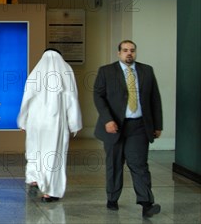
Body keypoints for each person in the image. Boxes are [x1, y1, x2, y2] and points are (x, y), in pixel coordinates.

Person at [93, 40, 163, 218]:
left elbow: (155, 98)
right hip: (114, 127)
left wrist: (157, 125)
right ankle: (112, 198)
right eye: (125, 50)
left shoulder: (146, 70)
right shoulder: (106, 71)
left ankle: (147, 204)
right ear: (118, 53)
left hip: (138, 126)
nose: (129, 53)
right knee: (114, 165)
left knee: (139, 165)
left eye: (132, 50)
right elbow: (98, 97)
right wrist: (107, 120)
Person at [17, 49, 82, 202]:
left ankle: (33, 179)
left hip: (35, 122)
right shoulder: (65, 70)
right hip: (55, 122)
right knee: (53, 155)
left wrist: (23, 120)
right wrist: (74, 123)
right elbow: (72, 99)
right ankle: (49, 192)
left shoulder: (36, 72)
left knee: (34, 151)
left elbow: (26, 98)